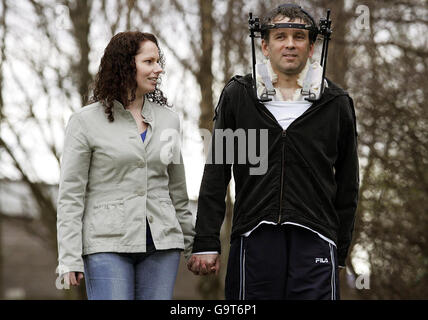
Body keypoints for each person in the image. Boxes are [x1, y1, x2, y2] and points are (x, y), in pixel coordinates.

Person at [187, 4, 359, 300]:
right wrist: (206, 241)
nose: (290, 43)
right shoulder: (239, 96)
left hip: (316, 239)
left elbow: (348, 185)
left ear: (312, 45)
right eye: (280, 36)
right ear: (265, 46)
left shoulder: (336, 102)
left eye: (299, 36)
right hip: (254, 238)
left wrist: (340, 251)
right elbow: (217, 172)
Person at [56, 31, 194, 300]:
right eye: (149, 62)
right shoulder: (84, 122)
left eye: (158, 61)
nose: (158, 69)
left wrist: (193, 246)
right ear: (125, 65)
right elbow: (70, 195)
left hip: (162, 244)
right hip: (106, 243)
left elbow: (178, 190)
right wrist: (69, 257)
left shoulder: (169, 121)